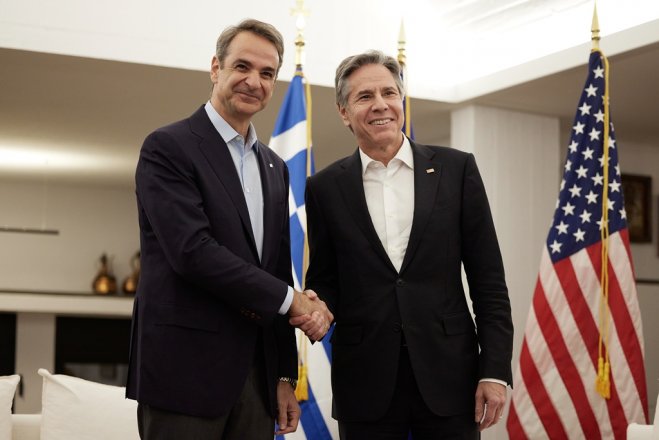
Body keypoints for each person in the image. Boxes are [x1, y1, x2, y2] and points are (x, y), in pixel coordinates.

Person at [125, 19, 333, 440]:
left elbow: (274, 272)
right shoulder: (168, 147)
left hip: (256, 384)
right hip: (183, 376)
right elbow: (193, 251)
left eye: (267, 73)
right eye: (242, 67)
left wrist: (282, 377)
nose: (254, 81)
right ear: (215, 67)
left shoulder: (274, 168)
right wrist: (293, 301)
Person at [298, 50, 513, 439]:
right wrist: (318, 310)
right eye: (365, 97)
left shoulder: (456, 169)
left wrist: (494, 371)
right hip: (365, 383)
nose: (380, 105)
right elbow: (326, 277)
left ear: (401, 100)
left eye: (389, 93)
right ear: (344, 111)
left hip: (450, 378)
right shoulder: (324, 187)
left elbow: (489, 283)